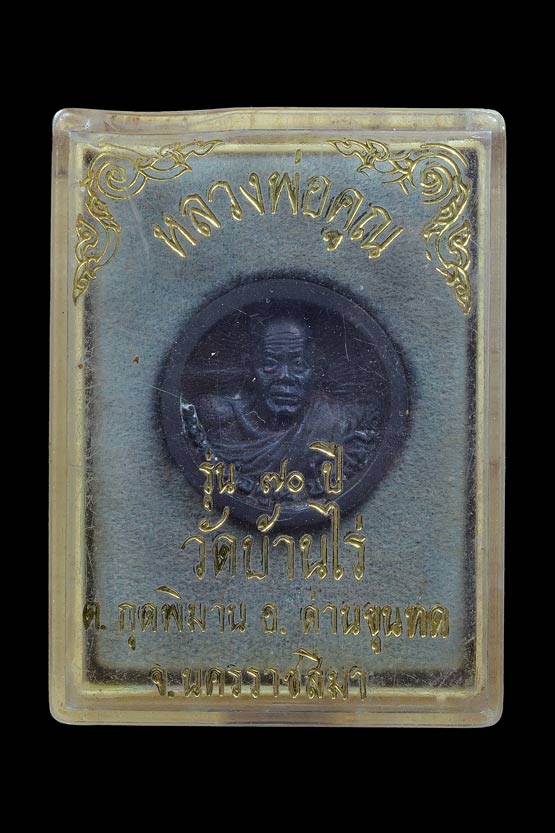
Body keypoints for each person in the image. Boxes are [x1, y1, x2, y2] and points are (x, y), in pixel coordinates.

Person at [181, 314, 375, 500]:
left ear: (317, 370)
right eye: (270, 364)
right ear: (249, 367)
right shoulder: (218, 420)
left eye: (298, 364)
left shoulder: (342, 422)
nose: (284, 376)